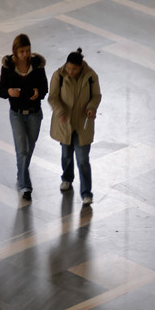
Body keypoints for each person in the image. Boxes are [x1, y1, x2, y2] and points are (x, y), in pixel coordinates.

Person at [0, 34, 48, 202]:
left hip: (34, 113)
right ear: (15, 52)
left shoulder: (38, 65)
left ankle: (21, 171)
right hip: (17, 114)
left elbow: (44, 88)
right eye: (22, 51)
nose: (25, 54)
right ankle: (26, 186)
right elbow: (0, 90)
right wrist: (9, 92)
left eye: (27, 51)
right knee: (22, 150)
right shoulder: (8, 67)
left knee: (29, 149)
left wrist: (38, 93)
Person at [48, 48, 101, 206]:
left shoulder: (91, 76)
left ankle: (86, 192)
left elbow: (96, 95)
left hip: (83, 125)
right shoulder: (59, 75)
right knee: (66, 154)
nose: (71, 71)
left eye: (74, 69)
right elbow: (53, 97)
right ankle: (67, 178)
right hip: (65, 124)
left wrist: (91, 107)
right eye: (69, 68)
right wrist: (60, 111)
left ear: (81, 66)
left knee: (83, 159)